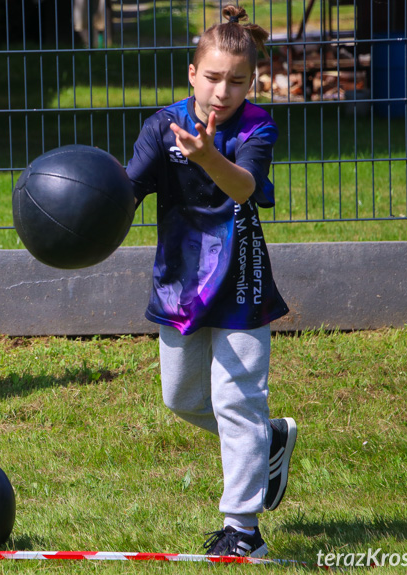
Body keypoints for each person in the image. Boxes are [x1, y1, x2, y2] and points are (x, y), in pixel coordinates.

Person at [125, 4, 297, 558]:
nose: (224, 91)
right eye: (214, 77)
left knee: (236, 399)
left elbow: (245, 187)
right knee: (180, 397)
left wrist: (205, 158)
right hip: (179, 283)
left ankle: (243, 531)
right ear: (193, 73)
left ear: (253, 82)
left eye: (238, 81)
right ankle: (265, 440)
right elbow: (126, 189)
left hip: (241, 283)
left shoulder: (257, 126)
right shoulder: (162, 124)